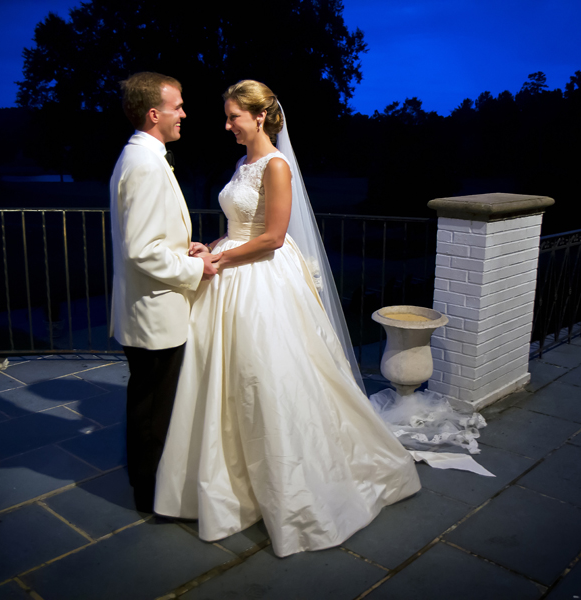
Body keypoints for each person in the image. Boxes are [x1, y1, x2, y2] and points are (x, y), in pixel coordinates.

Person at [154, 80, 421, 557]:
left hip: (263, 280)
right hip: (234, 271)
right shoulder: (242, 164)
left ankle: (293, 485)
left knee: (268, 376)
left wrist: (221, 260)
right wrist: (212, 246)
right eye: (228, 115)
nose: (228, 124)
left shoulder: (277, 166)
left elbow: (274, 237)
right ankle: (233, 482)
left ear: (260, 117)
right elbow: (242, 227)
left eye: (234, 115)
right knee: (229, 377)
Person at [110, 72, 221, 513]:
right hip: (154, 314)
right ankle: (149, 493)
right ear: (155, 114)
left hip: (149, 308)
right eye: (178, 107)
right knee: (153, 409)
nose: (184, 114)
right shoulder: (144, 163)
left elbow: (151, 240)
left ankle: (148, 485)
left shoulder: (143, 157)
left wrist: (184, 247)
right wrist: (197, 265)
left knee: (149, 402)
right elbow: (142, 250)